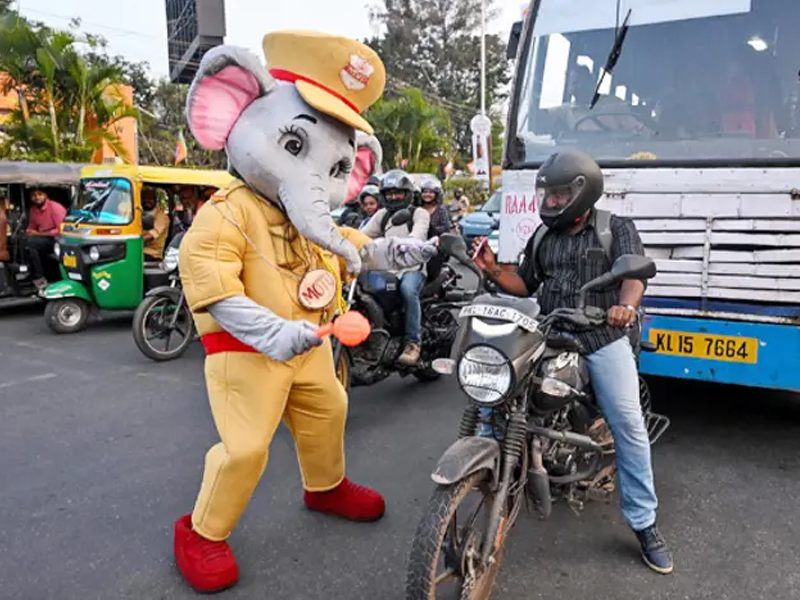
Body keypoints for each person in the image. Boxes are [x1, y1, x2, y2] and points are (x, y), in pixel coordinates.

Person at [173, 33, 436, 593]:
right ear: (233, 106)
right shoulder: (225, 216)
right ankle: (201, 531)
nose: (322, 178)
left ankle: (325, 485)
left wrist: (397, 251)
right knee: (245, 449)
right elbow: (219, 296)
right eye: (295, 146)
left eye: (339, 165)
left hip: (310, 348)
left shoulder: (303, 218)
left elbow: (348, 244)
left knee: (330, 409)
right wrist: (276, 333)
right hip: (247, 355)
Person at [471, 149, 673, 576]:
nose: (551, 203)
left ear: (582, 192)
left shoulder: (614, 228)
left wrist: (625, 307)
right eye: (547, 194)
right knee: (498, 383)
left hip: (601, 335)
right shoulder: (544, 238)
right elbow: (524, 282)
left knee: (629, 426)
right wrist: (491, 268)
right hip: (549, 330)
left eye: (560, 195)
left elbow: (634, 276)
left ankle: (644, 523)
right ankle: (492, 461)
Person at [361, 169, 430, 366]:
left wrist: (401, 244)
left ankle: (412, 344)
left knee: (407, 290)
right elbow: (363, 235)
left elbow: (417, 236)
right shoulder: (382, 215)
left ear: (407, 194)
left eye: (398, 193)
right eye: (389, 193)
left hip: (412, 268)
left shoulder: (419, 213)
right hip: (386, 269)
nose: (394, 197)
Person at [25, 187, 66, 288]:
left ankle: (39, 277)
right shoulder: (34, 209)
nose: (37, 197)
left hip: (57, 239)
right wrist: (28, 231)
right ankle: (30, 273)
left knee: (31, 245)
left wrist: (38, 234)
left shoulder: (55, 207)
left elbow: (61, 230)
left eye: (40, 194)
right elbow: (32, 224)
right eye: (34, 195)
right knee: (22, 243)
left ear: (45, 195)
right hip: (43, 237)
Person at [419, 177, 456, 281]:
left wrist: (431, 230)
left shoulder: (441, 210)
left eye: (431, 192)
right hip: (417, 243)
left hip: (436, 245)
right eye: (425, 192)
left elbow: (445, 228)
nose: (427, 194)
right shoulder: (417, 209)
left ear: (436, 194)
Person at [141, 187, 170, 262]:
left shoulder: (161, 216)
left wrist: (134, 242)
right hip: (139, 251)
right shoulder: (139, 213)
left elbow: (152, 235)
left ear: (155, 200)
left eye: (150, 198)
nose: (147, 201)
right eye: (144, 198)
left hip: (152, 254)